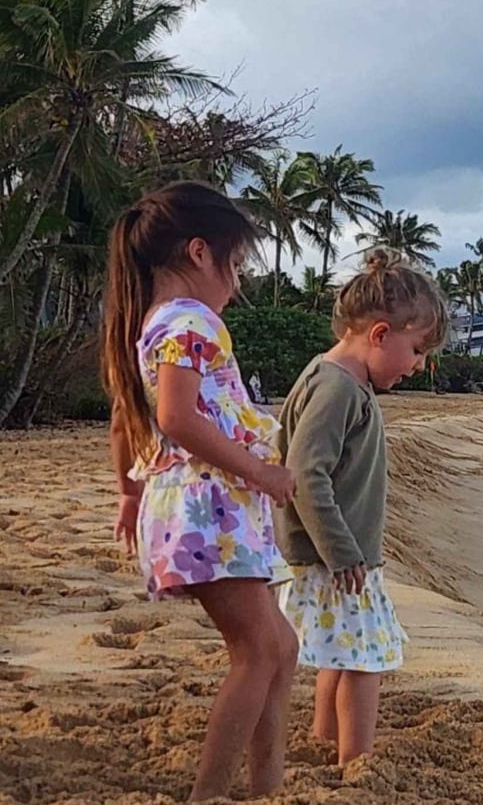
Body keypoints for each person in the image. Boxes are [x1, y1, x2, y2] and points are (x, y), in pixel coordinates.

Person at [101, 182, 299, 802]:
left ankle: (267, 785)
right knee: (258, 650)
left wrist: (130, 496)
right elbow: (177, 419)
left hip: (201, 508)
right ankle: (208, 795)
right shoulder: (190, 322)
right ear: (198, 253)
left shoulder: (150, 326)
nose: (236, 284)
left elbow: (122, 419)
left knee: (279, 646)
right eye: (235, 264)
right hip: (207, 508)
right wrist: (264, 472)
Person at [276, 250, 449, 764]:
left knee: (342, 655)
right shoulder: (337, 389)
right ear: (379, 334)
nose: (418, 366)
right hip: (338, 559)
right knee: (366, 661)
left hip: (338, 556)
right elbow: (305, 474)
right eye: (416, 350)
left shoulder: (340, 381)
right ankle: (357, 761)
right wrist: (342, 552)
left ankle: (326, 742)